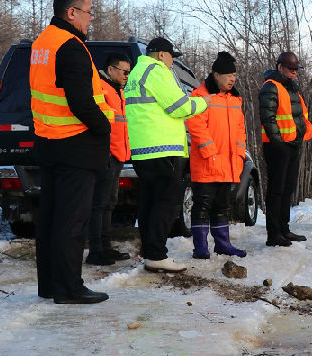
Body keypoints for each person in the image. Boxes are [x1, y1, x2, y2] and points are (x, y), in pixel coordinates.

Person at [30, 0, 112, 304]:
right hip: (76, 146)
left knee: (50, 218)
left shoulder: (42, 44)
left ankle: (50, 285)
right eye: (89, 13)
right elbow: (81, 101)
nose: (90, 20)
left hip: (49, 144)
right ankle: (69, 288)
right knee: (72, 221)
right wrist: (104, 126)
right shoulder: (71, 47)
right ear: (72, 12)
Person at [124, 37, 209, 272]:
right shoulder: (157, 71)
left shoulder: (135, 73)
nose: (172, 62)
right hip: (163, 148)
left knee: (149, 202)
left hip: (143, 149)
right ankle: (157, 254)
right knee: (167, 202)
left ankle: (150, 251)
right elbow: (180, 106)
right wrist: (203, 103)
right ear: (162, 54)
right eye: (172, 57)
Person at [186, 52, 247, 259]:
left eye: (234, 75)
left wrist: (239, 155)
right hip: (206, 163)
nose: (233, 79)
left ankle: (223, 244)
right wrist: (210, 152)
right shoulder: (200, 95)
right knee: (202, 205)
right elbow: (195, 125)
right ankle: (200, 248)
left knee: (222, 205)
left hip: (228, 163)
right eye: (229, 75)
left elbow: (240, 130)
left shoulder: (235, 98)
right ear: (216, 75)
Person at [258, 51, 312, 247]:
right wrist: (278, 142)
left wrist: (300, 136)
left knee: (287, 188)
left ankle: (284, 229)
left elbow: (299, 114)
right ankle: (273, 234)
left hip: (293, 145)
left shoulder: (293, 88)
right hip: (277, 147)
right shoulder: (270, 87)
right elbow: (267, 117)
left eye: (296, 69)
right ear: (280, 67)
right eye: (291, 69)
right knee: (276, 190)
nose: (294, 72)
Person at [85, 53, 132, 265]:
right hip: (105, 153)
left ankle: (106, 247)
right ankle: (96, 251)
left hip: (118, 153)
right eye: (124, 72)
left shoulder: (117, 91)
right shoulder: (101, 88)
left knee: (109, 202)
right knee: (99, 203)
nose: (127, 76)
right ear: (111, 70)